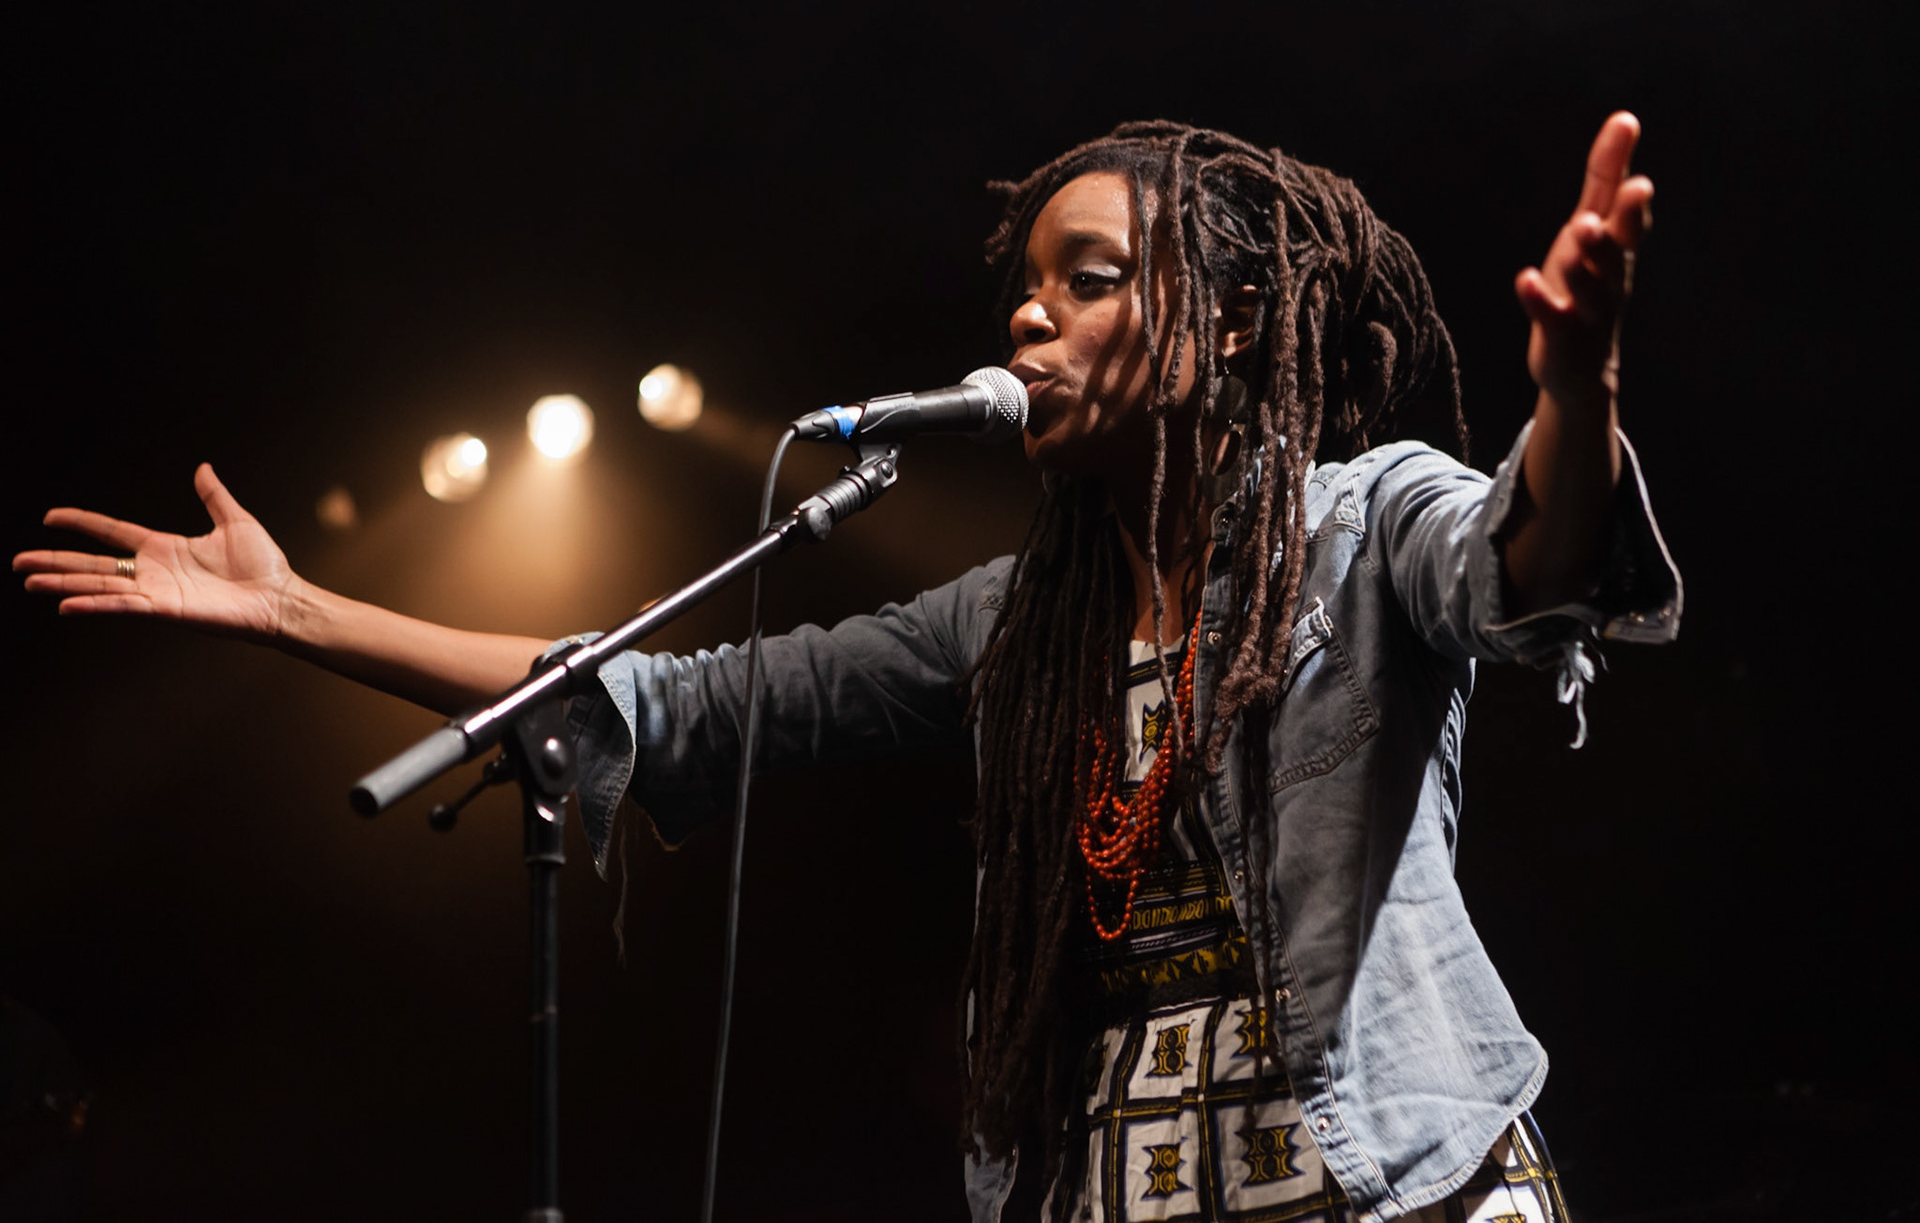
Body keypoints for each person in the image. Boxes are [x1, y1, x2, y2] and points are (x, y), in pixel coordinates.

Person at [16, 114, 1678, 1222]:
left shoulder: (1363, 522)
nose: (1029, 322)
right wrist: (303, 613)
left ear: (1231, 324)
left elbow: (1531, 560)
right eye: (1022, 290)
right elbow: (663, 701)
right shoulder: (1012, 625)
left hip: (1392, 1178)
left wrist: (1580, 390)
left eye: (1084, 282)